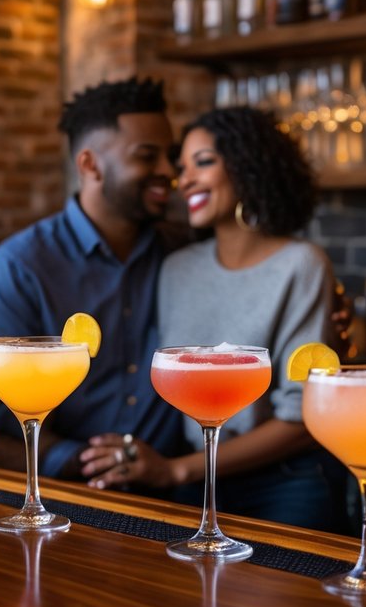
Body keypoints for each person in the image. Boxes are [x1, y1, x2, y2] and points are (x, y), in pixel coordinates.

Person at [79, 107, 347, 532]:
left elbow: (302, 417)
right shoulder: (176, 267)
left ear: (248, 167)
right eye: (182, 167)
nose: (183, 180)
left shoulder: (302, 264)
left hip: (284, 483)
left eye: (202, 163)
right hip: (199, 481)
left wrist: (176, 470)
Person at [0, 77, 187, 478]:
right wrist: (79, 460)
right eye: (147, 156)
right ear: (90, 165)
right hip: (64, 490)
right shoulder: (21, 266)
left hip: (175, 488)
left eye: (170, 156)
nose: (168, 171)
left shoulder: (183, 251)